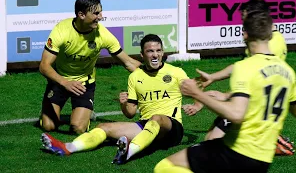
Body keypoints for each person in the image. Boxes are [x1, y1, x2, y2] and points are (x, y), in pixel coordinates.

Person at [154, 11, 296, 172]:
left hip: (238, 151)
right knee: (210, 140)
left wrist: (197, 94)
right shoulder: (287, 71)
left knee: (165, 167)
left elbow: (236, 114)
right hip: (264, 159)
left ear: (245, 35)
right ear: (270, 34)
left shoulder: (244, 67)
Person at [41, 34, 188, 165]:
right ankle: (67, 147)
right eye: (150, 51)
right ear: (142, 54)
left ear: (162, 52)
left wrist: (198, 105)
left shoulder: (176, 72)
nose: (155, 55)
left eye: (158, 51)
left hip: (172, 130)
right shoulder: (135, 77)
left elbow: (195, 90)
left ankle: (128, 152)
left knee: (156, 118)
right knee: (103, 127)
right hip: (146, 127)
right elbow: (130, 113)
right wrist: (124, 104)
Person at [183, 0, 288, 142]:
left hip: (251, 103)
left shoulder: (271, 45)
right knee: (212, 138)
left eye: (245, 19)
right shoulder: (264, 41)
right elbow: (244, 66)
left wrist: (228, 96)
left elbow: (259, 79)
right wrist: (213, 77)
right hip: (251, 100)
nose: (243, 26)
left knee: (212, 141)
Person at [39, 0, 141, 134]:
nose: (100, 17)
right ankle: (49, 113)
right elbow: (44, 66)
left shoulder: (103, 35)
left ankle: (84, 115)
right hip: (60, 80)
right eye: (96, 13)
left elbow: (128, 62)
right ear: (81, 14)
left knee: (77, 128)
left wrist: (156, 73)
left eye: (101, 12)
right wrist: (65, 83)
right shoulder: (61, 31)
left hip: (84, 84)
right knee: (48, 126)